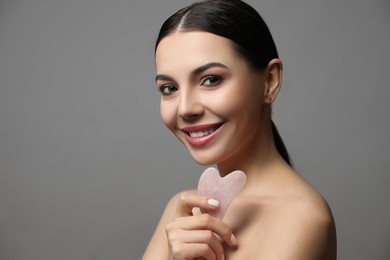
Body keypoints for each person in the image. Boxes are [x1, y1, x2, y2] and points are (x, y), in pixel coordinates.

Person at [143, 0, 337, 259]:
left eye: (211, 80)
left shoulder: (303, 217)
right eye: (169, 88)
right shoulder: (181, 210)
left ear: (269, 81)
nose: (185, 109)